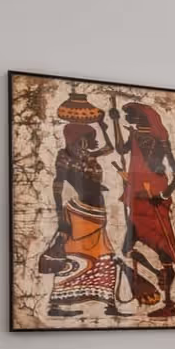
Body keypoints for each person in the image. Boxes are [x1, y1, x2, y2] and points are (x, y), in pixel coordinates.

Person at [38, 92, 119, 318]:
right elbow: (57, 185)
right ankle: (57, 304)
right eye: (89, 138)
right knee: (73, 256)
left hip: (97, 213)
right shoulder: (65, 157)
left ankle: (107, 301)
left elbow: (110, 147)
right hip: (79, 213)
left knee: (103, 256)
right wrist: (60, 217)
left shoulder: (89, 156)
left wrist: (103, 124)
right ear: (79, 139)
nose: (93, 143)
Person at [113, 101, 175, 320]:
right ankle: (157, 276)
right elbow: (121, 150)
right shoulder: (136, 136)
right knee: (126, 248)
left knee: (163, 247)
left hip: (153, 199)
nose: (128, 119)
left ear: (142, 118)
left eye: (130, 116)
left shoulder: (157, 140)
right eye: (127, 116)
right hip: (139, 199)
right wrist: (115, 122)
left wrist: (162, 195)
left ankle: (169, 301)